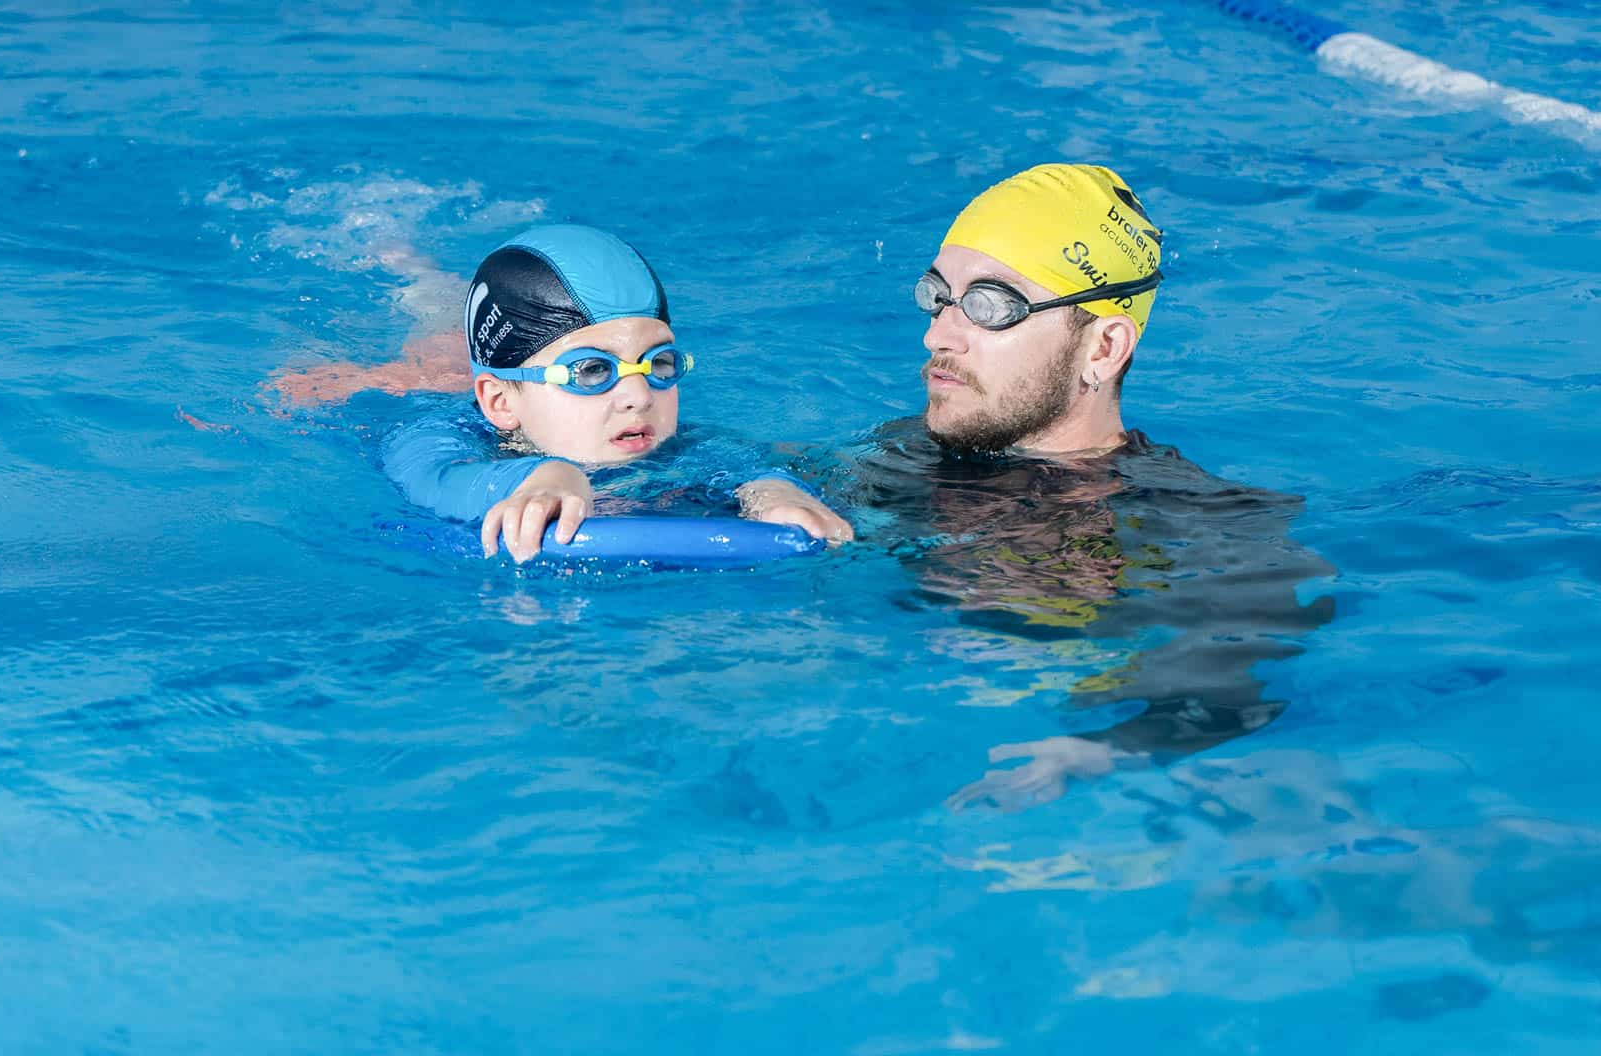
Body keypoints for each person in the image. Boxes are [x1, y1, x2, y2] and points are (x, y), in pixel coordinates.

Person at [793, 164, 1334, 809]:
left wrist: (1102, 752)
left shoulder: (1208, 525)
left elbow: (1229, 691)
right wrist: (767, 488)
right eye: (936, 295)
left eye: (990, 306)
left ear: (1104, 349)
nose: (937, 333)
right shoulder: (894, 453)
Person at [278, 224, 851, 562]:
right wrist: (544, 475)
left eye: (659, 363)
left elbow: (734, 465)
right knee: (422, 355)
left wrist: (773, 490)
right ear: (502, 403)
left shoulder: (674, 447)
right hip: (423, 392)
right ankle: (406, 267)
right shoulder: (430, 431)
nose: (637, 396)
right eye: (592, 372)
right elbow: (434, 477)